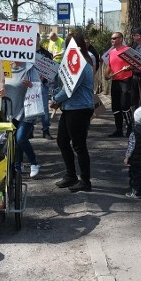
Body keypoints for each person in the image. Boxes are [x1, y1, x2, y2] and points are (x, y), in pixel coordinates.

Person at [50, 32, 94, 192]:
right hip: (70, 108)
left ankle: (85, 181)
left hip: (80, 109)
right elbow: (64, 85)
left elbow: (70, 89)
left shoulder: (81, 63)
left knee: (79, 145)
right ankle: (71, 175)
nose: (66, 48)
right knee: (62, 141)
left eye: (68, 45)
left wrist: (55, 99)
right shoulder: (73, 61)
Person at [4, 61, 42, 178]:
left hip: (27, 109)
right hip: (10, 109)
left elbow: (39, 86)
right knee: (14, 140)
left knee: (20, 138)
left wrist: (31, 85)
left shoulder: (30, 68)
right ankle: (17, 166)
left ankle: (34, 163)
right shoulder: (6, 65)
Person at [104, 32, 134, 137]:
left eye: (114, 38)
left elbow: (135, 65)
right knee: (115, 107)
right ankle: (118, 129)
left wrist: (129, 67)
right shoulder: (112, 52)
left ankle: (130, 129)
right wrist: (107, 74)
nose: (112, 40)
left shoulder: (127, 51)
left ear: (121, 39)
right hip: (115, 81)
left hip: (125, 80)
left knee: (125, 105)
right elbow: (109, 66)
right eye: (111, 38)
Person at [35, 33, 55, 139]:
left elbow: (51, 71)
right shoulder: (26, 52)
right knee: (28, 108)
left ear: (39, 39)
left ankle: (46, 130)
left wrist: (51, 88)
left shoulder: (46, 53)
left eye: (36, 38)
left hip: (42, 84)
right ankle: (29, 130)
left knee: (44, 109)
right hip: (29, 85)